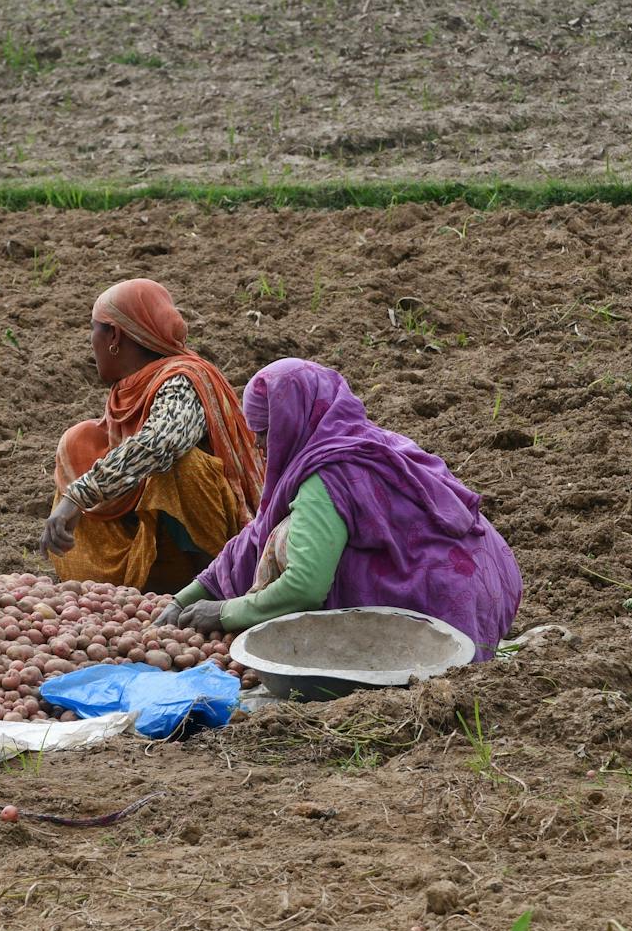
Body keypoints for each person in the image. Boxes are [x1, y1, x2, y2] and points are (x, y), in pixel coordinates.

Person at [155, 358, 522, 660]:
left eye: (267, 434)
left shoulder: (327, 475)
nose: (262, 448)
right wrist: (191, 594)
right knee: (292, 532)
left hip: (446, 611)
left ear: (293, 422)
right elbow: (255, 533)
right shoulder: (358, 438)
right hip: (488, 587)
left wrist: (223, 613)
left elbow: (305, 587)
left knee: (294, 542)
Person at [40, 279, 264, 593]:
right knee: (79, 444)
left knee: (181, 466)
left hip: (221, 546)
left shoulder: (183, 379)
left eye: (93, 329)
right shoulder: (128, 391)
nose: (91, 342)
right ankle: (127, 583)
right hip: (160, 553)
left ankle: (216, 585)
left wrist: (80, 495)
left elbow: (162, 442)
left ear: (114, 336)